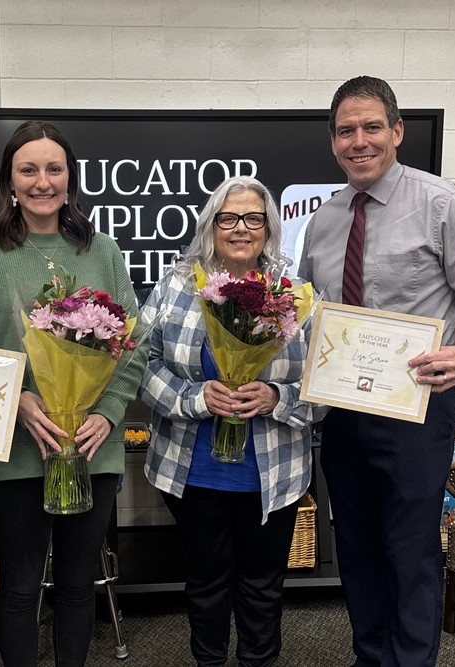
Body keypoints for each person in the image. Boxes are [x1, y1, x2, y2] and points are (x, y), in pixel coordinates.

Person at [298, 76, 455, 667]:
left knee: (411, 548)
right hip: (342, 410)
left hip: (416, 408)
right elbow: (310, 312)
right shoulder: (323, 222)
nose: (360, 141)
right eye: (347, 131)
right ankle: (371, 657)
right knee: (357, 547)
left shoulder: (441, 204)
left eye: (372, 127)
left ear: (396, 132)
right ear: (334, 142)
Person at [0, 121, 145, 666]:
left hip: (90, 446)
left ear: (70, 178)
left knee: (78, 586)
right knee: (18, 588)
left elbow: (132, 345)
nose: (42, 181)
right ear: (8, 182)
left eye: (53, 169)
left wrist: (108, 413)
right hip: (16, 450)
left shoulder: (103, 251)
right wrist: (14, 399)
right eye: (28, 170)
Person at [141, 176, 318, 667]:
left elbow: (327, 384)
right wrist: (194, 397)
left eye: (254, 218)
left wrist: (276, 397)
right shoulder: (178, 286)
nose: (241, 228)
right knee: (206, 581)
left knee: (263, 585)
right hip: (191, 468)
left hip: (273, 473)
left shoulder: (296, 294)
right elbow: (142, 364)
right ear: (211, 226)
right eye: (229, 218)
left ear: (269, 228)